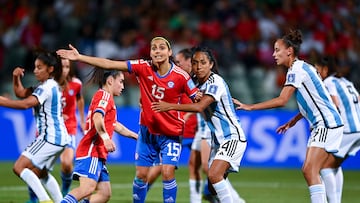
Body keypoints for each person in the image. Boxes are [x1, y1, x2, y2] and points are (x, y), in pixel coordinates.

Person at [56, 36, 198, 203]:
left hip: (170, 133)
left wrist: (214, 97)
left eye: (161, 47)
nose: (157, 51)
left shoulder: (181, 76)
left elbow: (198, 100)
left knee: (166, 172)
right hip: (146, 133)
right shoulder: (142, 67)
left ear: (169, 52)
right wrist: (80, 57)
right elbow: (109, 64)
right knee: (140, 175)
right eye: (154, 48)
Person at [233, 29, 344, 203]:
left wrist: (250, 106)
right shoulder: (304, 67)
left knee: (310, 169)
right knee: (314, 170)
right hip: (327, 123)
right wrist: (293, 121)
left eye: (277, 50)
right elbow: (316, 100)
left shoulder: (296, 70)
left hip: (326, 124)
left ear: (289, 51)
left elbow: (282, 100)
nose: (273, 54)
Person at [151, 46, 247, 203]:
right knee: (211, 187)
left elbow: (200, 107)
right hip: (217, 141)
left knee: (214, 175)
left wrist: (169, 106)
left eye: (203, 62)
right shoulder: (194, 83)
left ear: (210, 64)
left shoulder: (215, 81)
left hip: (232, 137)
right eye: (195, 63)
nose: (199, 66)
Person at [1, 51, 70, 203]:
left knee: (19, 167)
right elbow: (21, 93)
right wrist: (16, 77)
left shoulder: (48, 87)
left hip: (50, 137)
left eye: (39, 67)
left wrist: (2, 101)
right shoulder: (46, 86)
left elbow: (26, 104)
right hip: (60, 138)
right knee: (42, 173)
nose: (35, 71)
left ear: (50, 69)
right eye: (35, 67)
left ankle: (45, 201)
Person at [61, 68, 138, 203]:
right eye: (120, 81)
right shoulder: (104, 96)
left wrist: (136, 136)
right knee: (86, 189)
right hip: (92, 150)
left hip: (98, 153)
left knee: (104, 193)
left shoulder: (106, 98)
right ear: (110, 81)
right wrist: (106, 138)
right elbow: (97, 117)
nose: (123, 86)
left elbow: (115, 125)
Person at [145, 48, 202, 203]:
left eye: (178, 61)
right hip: (176, 131)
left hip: (196, 131)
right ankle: (141, 193)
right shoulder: (175, 78)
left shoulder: (197, 80)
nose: (175, 64)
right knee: (161, 168)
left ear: (189, 62)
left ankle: (210, 196)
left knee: (203, 167)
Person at [27, 58, 86, 203]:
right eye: (62, 66)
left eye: (67, 66)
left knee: (67, 163)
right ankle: (33, 198)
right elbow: (36, 107)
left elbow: (80, 99)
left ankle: (65, 190)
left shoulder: (76, 84)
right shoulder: (46, 85)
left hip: (69, 129)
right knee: (36, 167)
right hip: (48, 130)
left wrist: (82, 120)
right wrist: (57, 115)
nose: (65, 70)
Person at [314, 57, 360, 203]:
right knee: (334, 165)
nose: (316, 73)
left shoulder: (328, 82)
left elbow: (334, 103)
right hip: (358, 128)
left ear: (325, 69)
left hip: (348, 129)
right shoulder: (346, 82)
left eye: (317, 70)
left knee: (324, 167)